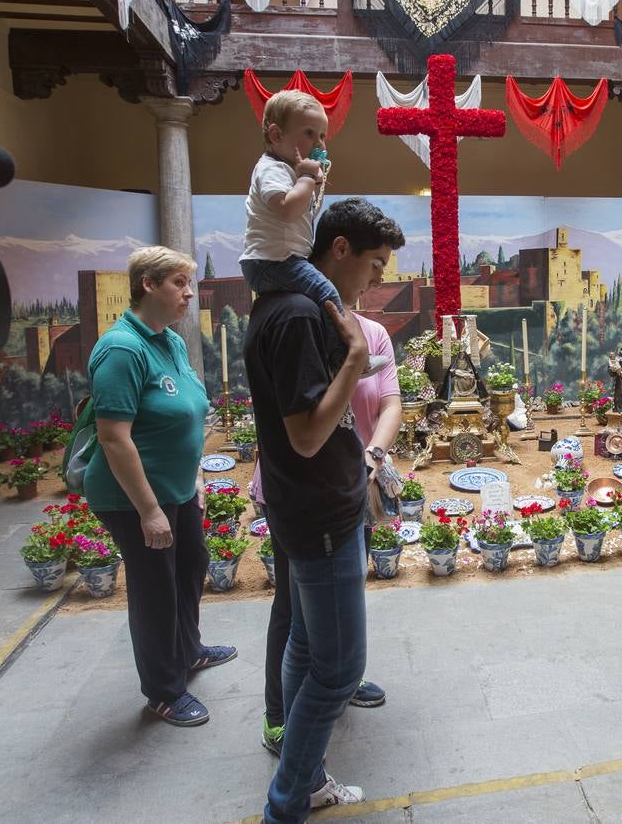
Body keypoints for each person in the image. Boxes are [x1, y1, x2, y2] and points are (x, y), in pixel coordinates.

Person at [245, 198, 405, 821]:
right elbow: (308, 435)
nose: (377, 279)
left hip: (311, 505)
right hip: (319, 517)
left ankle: (304, 778)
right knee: (339, 671)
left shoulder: (292, 307)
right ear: (338, 249)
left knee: (308, 649)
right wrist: (356, 363)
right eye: (373, 264)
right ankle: (288, 801)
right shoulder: (298, 317)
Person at [85, 246, 236, 727]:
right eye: (179, 283)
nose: (189, 293)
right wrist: (149, 510)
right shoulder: (121, 349)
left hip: (176, 488)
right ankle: (164, 691)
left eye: (189, 283)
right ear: (148, 285)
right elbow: (113, 436)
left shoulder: (166, 340)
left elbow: (185, 412)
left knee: (191, 564)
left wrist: (191, 480)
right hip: (134, 498)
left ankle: (188, 652)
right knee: (154, 589)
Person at [251, 307, 404, 755]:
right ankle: (278, 716)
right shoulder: (297, 328)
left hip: (358, 485)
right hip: (305, 493)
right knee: (292, 609)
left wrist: (372, 457)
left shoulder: (373, 332)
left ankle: (340, 678)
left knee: (347, 587)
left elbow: (391, 402)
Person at [240, 89, 388, 376]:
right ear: (276, 135)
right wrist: (307, 177)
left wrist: (312, 183)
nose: (319, 143)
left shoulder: (288, 171)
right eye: (309, 133)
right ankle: (349, 357)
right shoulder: (271, 169)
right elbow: (286, 209)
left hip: (282, 259)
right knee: (327, 293)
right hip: (273, 261)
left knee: (321, 298)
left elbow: (304, 215)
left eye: (322, 136)